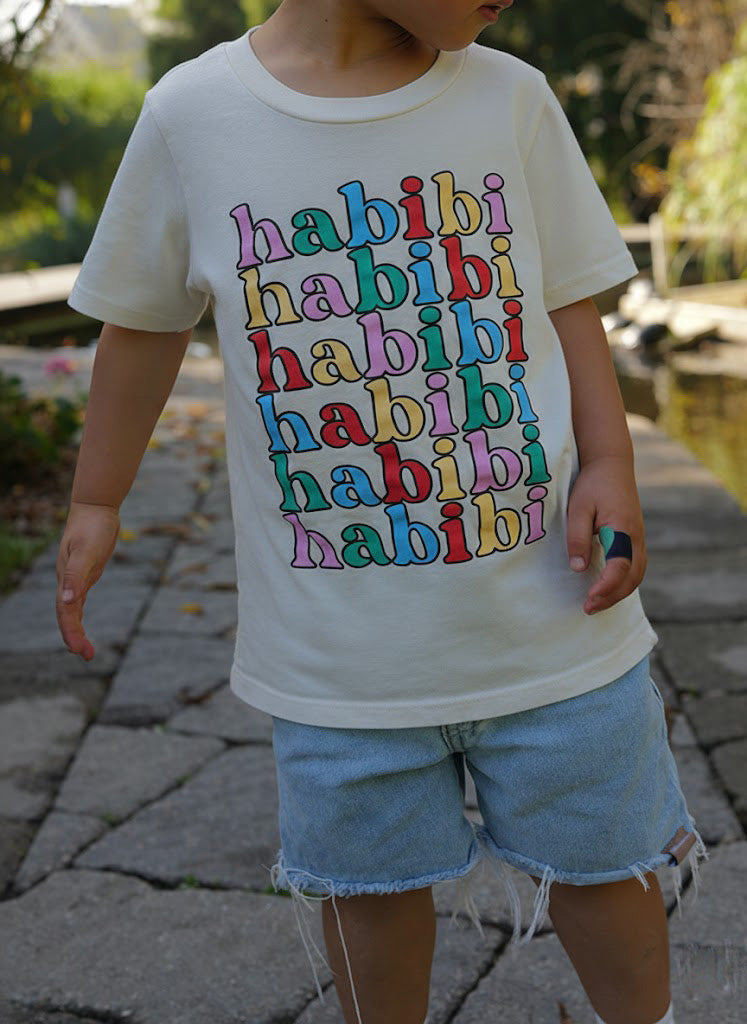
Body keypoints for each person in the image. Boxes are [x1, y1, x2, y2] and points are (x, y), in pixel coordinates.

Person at [56, 2, 708, 1023]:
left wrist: (611, 460)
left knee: (606, 860)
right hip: (338, 661)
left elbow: (569, 296)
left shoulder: (510, 100)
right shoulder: (194, 117)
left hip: (552, 620)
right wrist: (99, 495)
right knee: (370, 893)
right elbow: (143, 325)